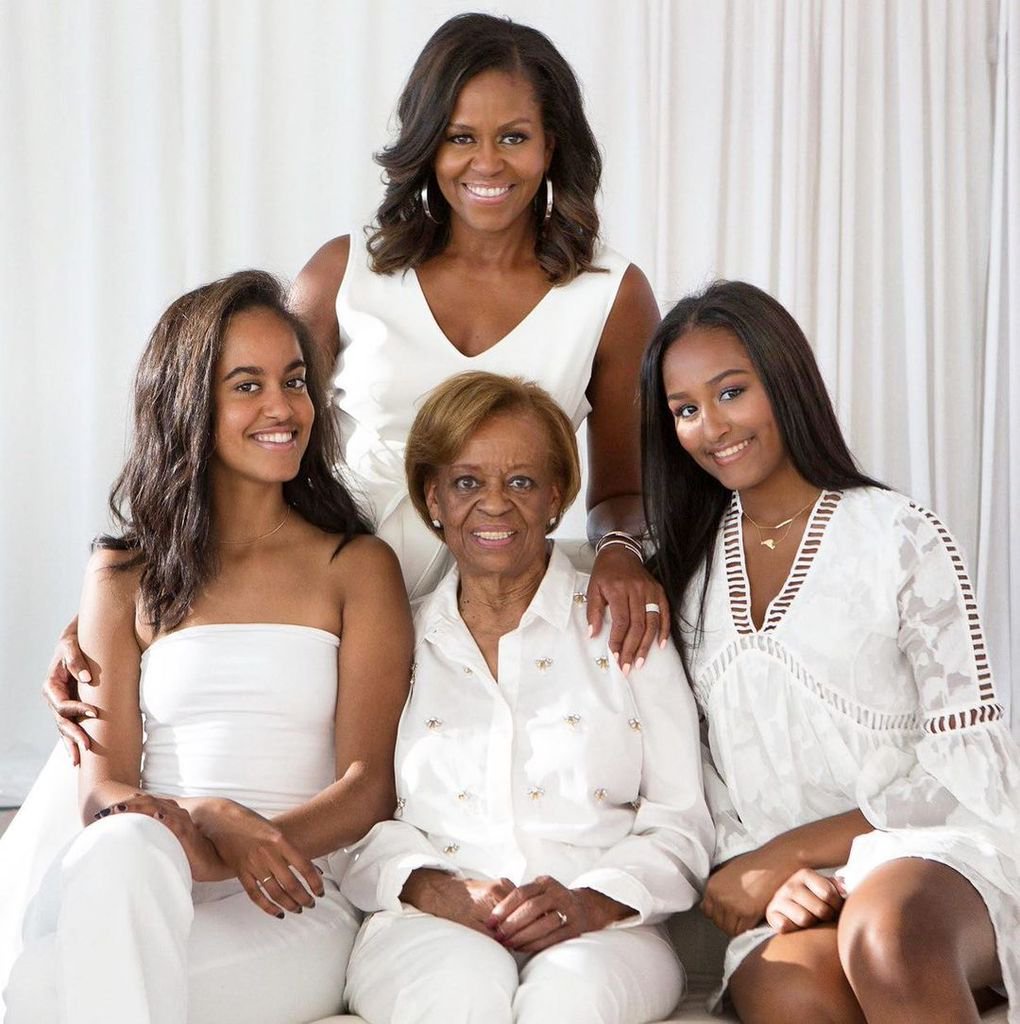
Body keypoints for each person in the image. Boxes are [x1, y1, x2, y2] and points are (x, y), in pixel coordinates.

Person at [2, 271, 412, 1022]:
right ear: (189, 404)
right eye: (247, 385)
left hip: (288, 898)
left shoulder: (355, 567)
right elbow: (103, 791)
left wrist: (256, 844)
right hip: (147, 867)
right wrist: (213, 820)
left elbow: (366, 785)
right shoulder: (123, 575)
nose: (283, 407)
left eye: (294, 381)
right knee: (125, 851)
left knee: (40, 991)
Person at [639, 279, 1020, 1023]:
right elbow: (704, 780)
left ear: (785, 380)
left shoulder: (900, 537)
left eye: (731, 392)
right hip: (785, 882)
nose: (711, 426)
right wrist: (765, 875)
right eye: (685, 410)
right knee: (790, 989)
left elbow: (970, 768)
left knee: (887, 939)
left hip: (932, 854)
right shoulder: (685, 576)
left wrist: (791, 851)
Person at [339, 371, 714, 1023]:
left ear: (556, 497)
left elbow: (681, 819)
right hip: (424, 923)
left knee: (569, 1000)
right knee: (458, 995)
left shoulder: (627, 623)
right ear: (432, 498)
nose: (493, 504)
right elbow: (354, 817)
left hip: (607, 932)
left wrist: (593, 902)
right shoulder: (393, 638)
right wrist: (438, 890)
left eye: (520, 481)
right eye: (466, 482)